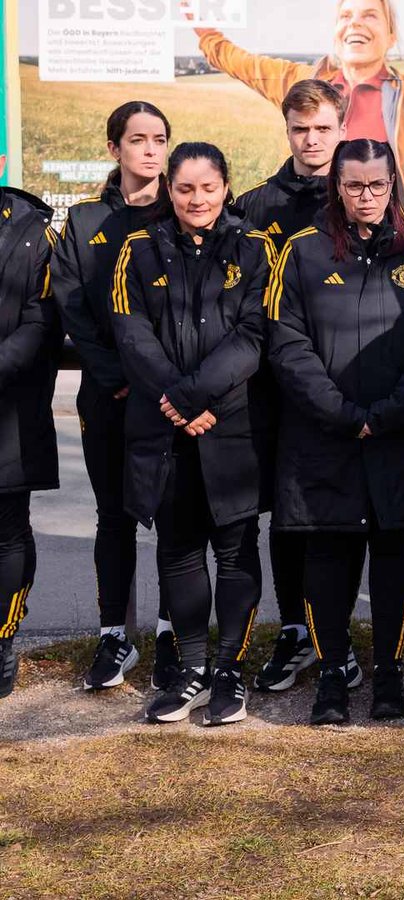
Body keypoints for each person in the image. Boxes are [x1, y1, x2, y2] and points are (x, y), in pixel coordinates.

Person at [267, 139, 404, 725]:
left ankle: (389, 675)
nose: (366, 197)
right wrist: (341, 412)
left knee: (391, 549)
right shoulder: (300, 253)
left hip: (399, 430)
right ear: (335, 188)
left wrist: (390, 410)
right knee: (328, 552)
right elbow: (286, 341)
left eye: (377, 185)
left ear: (393, 184)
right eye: (353, 186)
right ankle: (333, 674)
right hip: (324, 433)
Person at [109, 143, 274, 726]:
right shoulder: (139, 248)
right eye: (184, 189)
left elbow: (255, 334)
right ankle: (193, 669)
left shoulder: (256, 249)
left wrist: (198, 398)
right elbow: (130, 332)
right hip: (163, 426)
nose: (197, 199)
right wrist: (176, 402)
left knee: (234, 551)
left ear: (226, 187)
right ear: (170, 191)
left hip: (232, 425)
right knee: (178, 552)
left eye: (208, 187)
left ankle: (230, 669)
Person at [237, 78, 361, 696]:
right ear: (287, 131)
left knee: (342, 516)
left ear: (342, 128)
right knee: (285, 516)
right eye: (299, 129)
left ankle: (336, 635)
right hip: (270, 388)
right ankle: (294, 629)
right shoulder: (257, 206)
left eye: (323, 129)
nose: (312, 141)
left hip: (343, 387)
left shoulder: (362, 198)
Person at [53, 102, 181, 693]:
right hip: (109, 392)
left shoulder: (184, 211)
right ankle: (114, 638)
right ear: (114, 149)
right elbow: (73, 309)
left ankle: (171, 634)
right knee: (115, 517)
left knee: (175, 518)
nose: (150, 150)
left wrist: (158, 378)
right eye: (137, 140)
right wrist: (115, 375)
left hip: (168, 393)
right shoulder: (82, 223)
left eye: (159, 139)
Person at [191, 0, 404, 176]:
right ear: (336, 33)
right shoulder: (305, 83)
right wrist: (205, 32)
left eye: (370, 16)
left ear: (391, 37)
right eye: (345, 16)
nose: (355, 23)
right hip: (322, 239)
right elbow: (244, 64)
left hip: (396, 240)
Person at [0, 157, 60, 699]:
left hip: (9, 410)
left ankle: (1, 639)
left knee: (6, 531)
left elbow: (42, 319)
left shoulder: (32, 230)